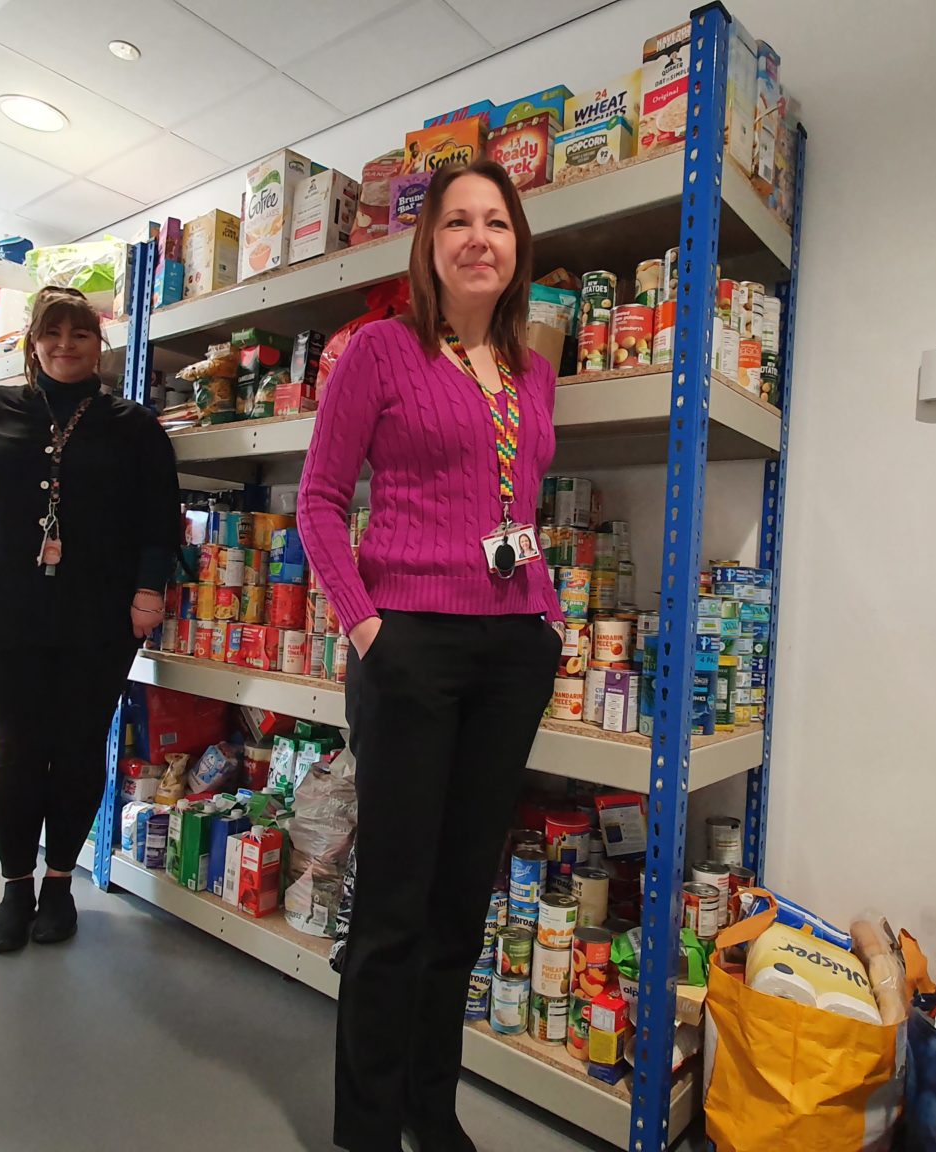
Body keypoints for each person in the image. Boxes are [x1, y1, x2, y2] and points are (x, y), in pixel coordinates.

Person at [297, 159, 563, 1152]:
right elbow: (318, 500)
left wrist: (546, 622)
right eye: (457, 221)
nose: (477, 238)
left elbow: (518, 507)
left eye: (495, 222)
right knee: (394, 909)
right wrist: (367, 627)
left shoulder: (534, 372)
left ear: (515, 246)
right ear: (431, 245)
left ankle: (428, 1104)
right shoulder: (381, 350)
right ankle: (365, 1127)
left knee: (459, 903)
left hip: (510, 655)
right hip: (407, 643)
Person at [0, 286, 182, 953]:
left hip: (98, 612)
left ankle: (60, 886)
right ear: (32, 340)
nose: (65, 346)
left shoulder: (132, 425)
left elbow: (160, 518)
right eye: (52, 333)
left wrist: (149, 591)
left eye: (79, 334)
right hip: (3, 605)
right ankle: (16, 888)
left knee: (75, 746)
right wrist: (0, 537)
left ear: (99, 345)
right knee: (16, 746)